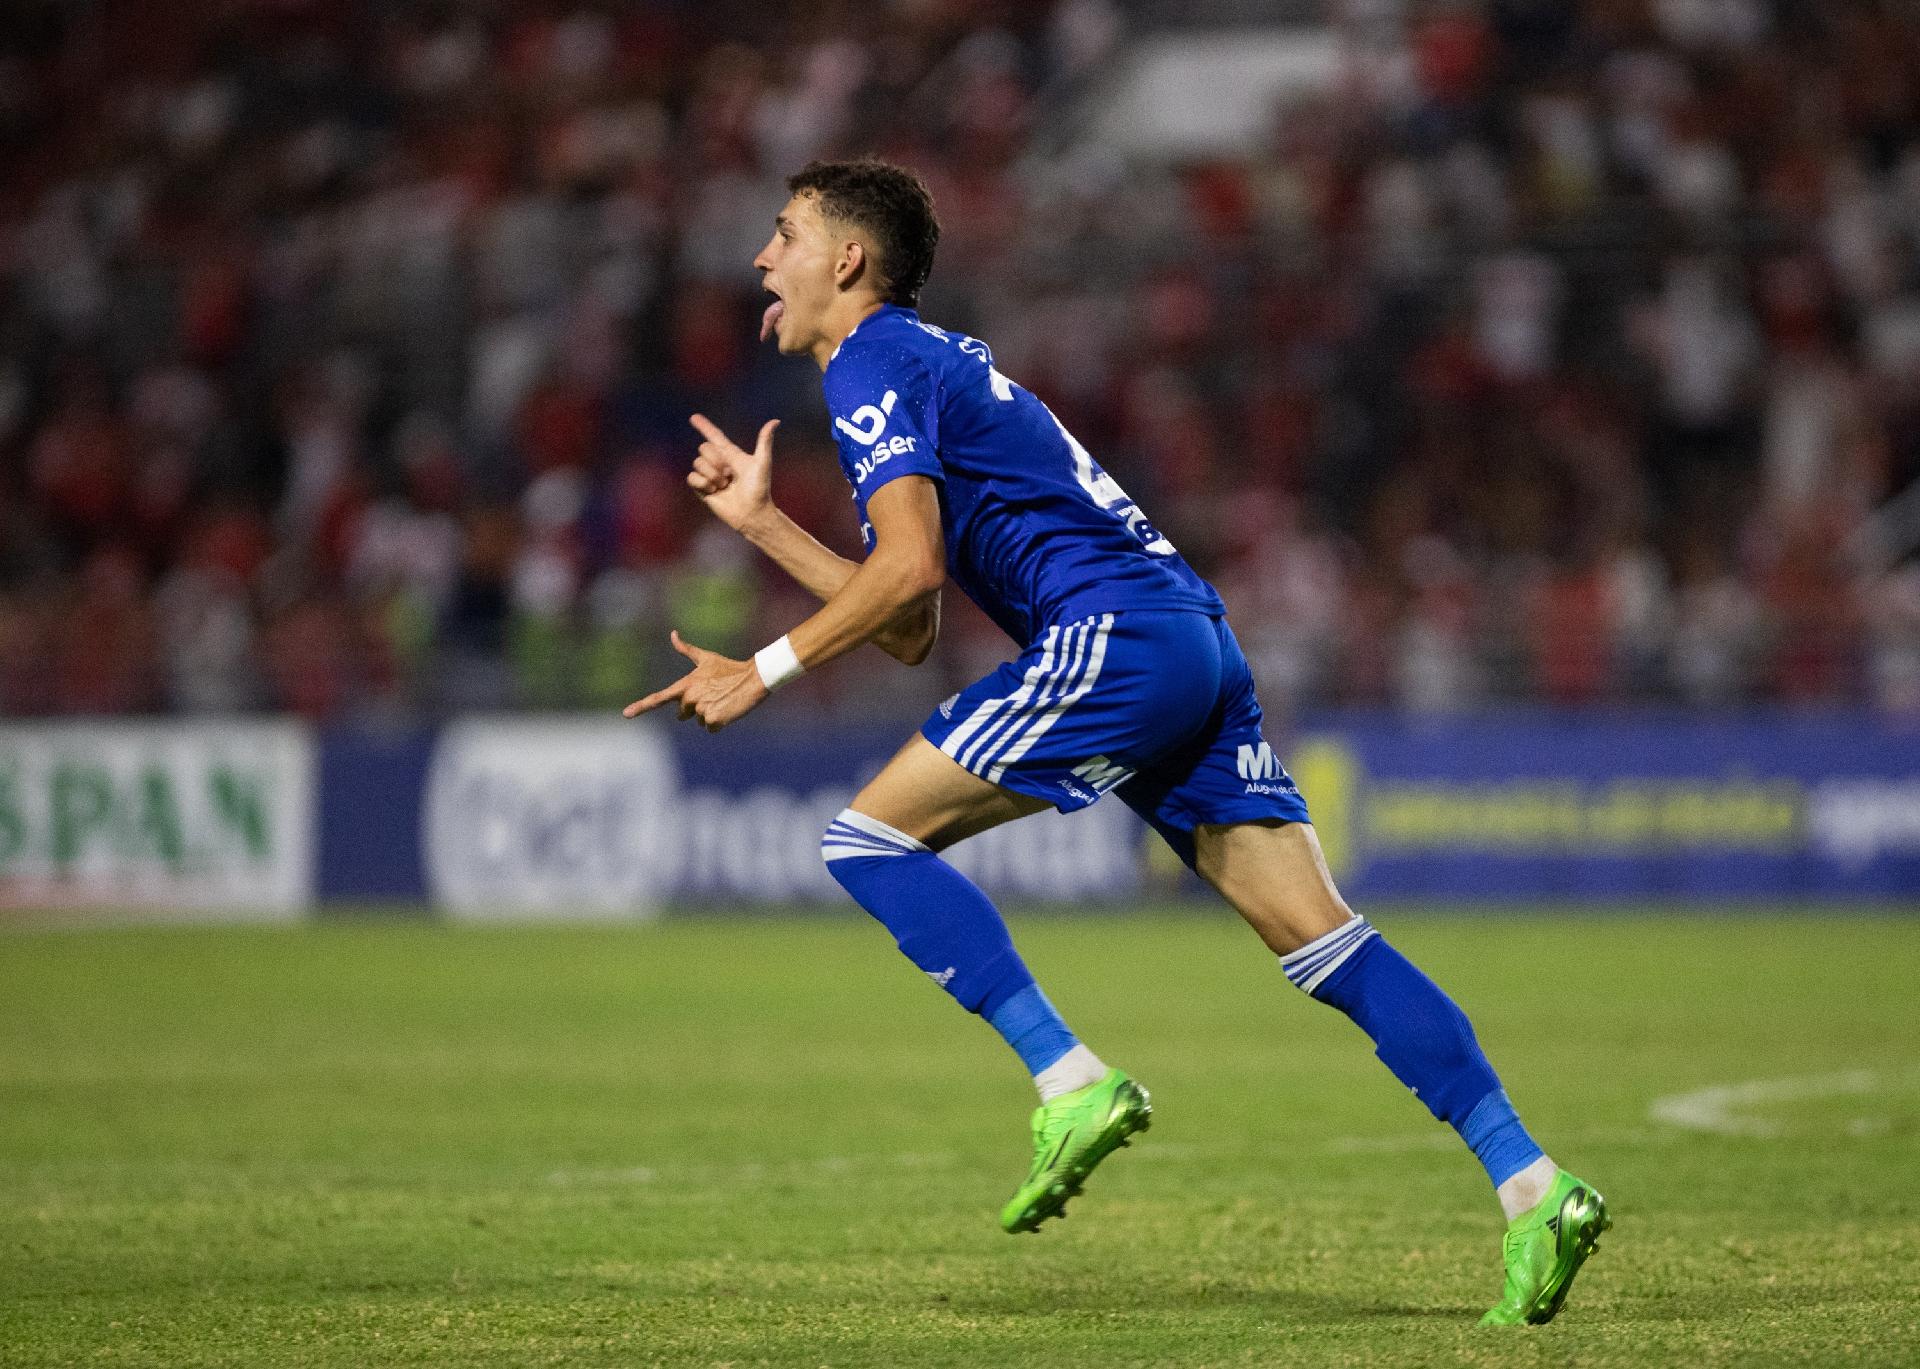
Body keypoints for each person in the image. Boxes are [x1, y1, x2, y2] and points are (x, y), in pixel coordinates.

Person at [624, 158, 1610, 1326]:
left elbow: (907, 572)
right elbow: (913, 625)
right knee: (1323, 941)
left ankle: (1068, 1077)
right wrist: (765, 523)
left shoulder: (874, 360)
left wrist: (765, 667)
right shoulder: (922, 363)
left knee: (867, 840)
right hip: (1190, 636)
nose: (761, 259)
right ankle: (1534, 1184)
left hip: (1116, 638)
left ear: (848, 259)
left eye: (783, 234)